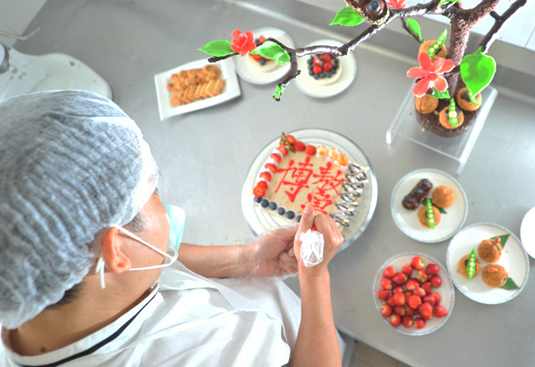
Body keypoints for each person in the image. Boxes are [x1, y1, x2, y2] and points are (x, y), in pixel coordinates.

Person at [0, 90, 345, 366]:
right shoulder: (211, 355)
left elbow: (149, 260)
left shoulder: (22, 282)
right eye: (153, 193)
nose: (162, 203)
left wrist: (245, 258)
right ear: (116, 248)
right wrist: (315, 279)